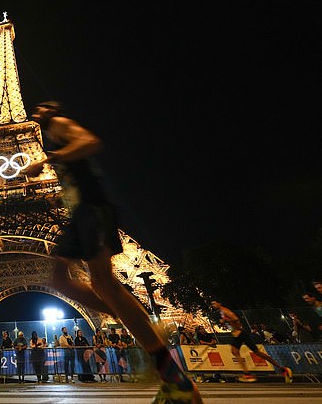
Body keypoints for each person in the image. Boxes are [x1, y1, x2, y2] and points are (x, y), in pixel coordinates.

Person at [24, 101, 202, 403]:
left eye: (43, 107)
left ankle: (173, 378)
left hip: (93, 209)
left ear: (52, 109)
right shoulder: (52, 133)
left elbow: (90, 142)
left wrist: (49, 158)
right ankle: (133, 319)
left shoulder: (61, 125)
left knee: (103, 284)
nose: (37, 111)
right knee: (60, 280)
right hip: (79, 213)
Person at [211, 300, 292, 383]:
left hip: (239, 333)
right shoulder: (222, 311)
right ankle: (249, 373)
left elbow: (235, 319)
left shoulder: (225, 310)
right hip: (237, 333)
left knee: (252, 352)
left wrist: (227, 321)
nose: (213, 305)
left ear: (219, 303)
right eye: (212, 304)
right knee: (238, 351)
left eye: (214, 303)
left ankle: (249, 374)